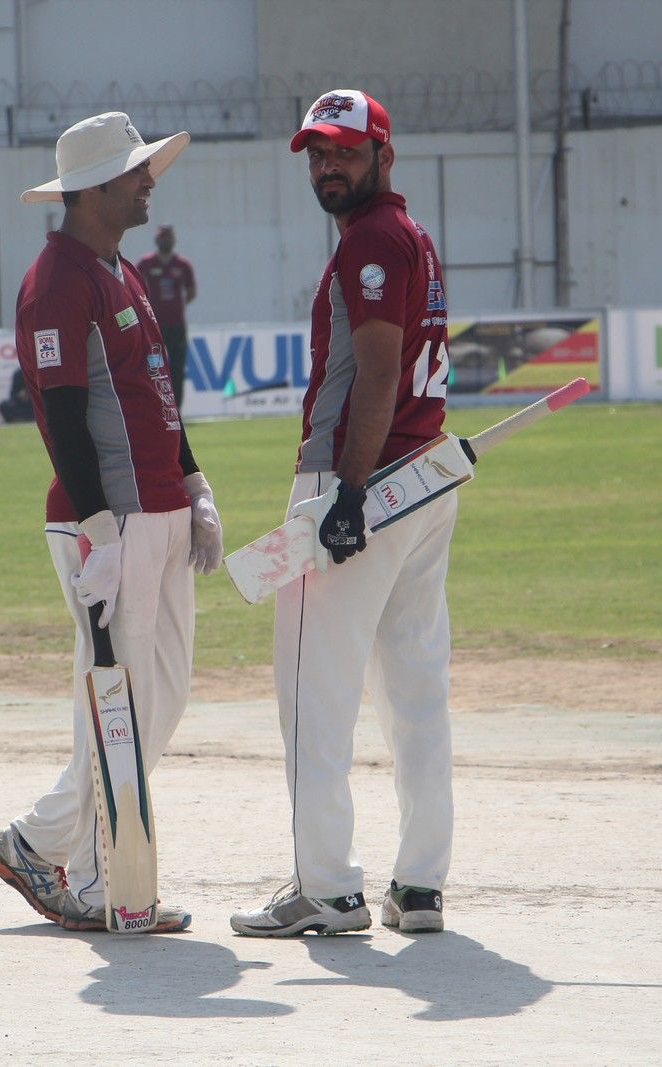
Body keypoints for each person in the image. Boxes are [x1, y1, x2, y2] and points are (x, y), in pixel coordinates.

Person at [0, 111, 222, 934]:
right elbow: (62, 412)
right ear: (91, 191)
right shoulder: (57, 281)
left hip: (159, 509)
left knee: (160, 697)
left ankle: (54, 852)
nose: (149, 182)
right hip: (109, 520)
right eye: (133, 173)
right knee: (116, 702)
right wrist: (99, 529)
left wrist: (194, 482)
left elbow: (156, 392)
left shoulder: (124, 270)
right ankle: (74, 867)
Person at [230, 90, 457, 938]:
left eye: (345, 152)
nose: (328, 166)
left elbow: (377, 368)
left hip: (356, 482)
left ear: (382, 156)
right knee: (414, 689)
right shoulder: (410, 235)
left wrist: (348, 494)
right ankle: (421, 885)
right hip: (425, 477)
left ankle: (326, 888)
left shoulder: (369, 241)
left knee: (313, 693)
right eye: (318, 153)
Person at [135, 224, 197, 407]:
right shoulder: (146, 263)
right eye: (162, 237)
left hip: (177, 325)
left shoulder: (182, 265)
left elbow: (191, 291)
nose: (165, 241)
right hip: (154, 326)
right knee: (153, 368)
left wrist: (177, 306)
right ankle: (156, 407)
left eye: (168, 237)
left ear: (174, 240)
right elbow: (133, 287)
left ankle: (177, 410)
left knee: (177, 368)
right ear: (156, 240)